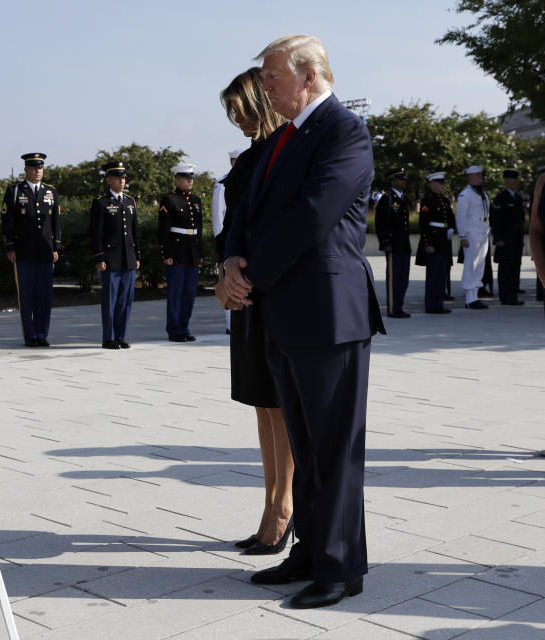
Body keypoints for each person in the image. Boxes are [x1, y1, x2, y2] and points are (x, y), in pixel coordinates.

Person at [220, 34, 385, 608]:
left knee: (334, 447)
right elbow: (247, 211)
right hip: (284, 313)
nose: (265, 86)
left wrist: (249, 275)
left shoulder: (345, 131)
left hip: (327, 313)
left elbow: (313, 216)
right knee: (308, 446)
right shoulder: (282, 139)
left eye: (271, 76)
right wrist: (231, 261)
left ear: (309, 75)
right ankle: (311, 552)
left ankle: (341, 567)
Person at [213, 66, 293, 556]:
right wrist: (225, 270)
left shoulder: (282, 150)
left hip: (269, 292)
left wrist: (241, 273)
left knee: (280, 405)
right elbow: (233, 228)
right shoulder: (253, 155)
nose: (235, 118)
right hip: (245, 293)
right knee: (263, 404)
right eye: (230, 112)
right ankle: (271, 502)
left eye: (240, 108)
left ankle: (283, 507)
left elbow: (279, 226)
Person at [1, 153, 62, 346]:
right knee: (26, 296)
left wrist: (56, 247)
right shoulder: (15, 191)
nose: (38, 171)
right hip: (23, 252)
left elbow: (56, 223)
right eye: (34, 168)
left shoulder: (51, 192)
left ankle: (42, 334)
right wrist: (10, 247)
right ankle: (30, 335)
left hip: (45, 252)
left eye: (40, 168)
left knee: (44, 295)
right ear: (26, 169)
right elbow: (7, 222)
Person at [90, 162, 140, 349]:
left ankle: (120, 336)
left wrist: (137, 256)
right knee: (110, 301)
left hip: (128, 258)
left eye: (124, 178)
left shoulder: (129, 202)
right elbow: (96, 233)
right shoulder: (101, 202)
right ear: (108, 180)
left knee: (125, 300)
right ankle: (109, 338)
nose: (122, 181)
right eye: (118, 178)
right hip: (110, 259)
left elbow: (135, 231)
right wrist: (100, 257)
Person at [159, 163, 202, 342]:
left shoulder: (196, 200)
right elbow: (163, 229)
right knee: (176, 292)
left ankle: (184, 327)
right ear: (177, 179)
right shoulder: (169, 200)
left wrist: (200, 254)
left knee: (189, 293)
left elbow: (199, 228)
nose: (189, 181)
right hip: (176, 253)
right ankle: (174, 330)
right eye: (185, 178)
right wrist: (166, 253)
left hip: (192, 253)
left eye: (191, 178)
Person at [212, 150, 242, 335]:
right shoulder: (223, 183)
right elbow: (218, 216)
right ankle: (230, 324)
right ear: (232, 161)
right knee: (227, 281)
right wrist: (220, 246)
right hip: (227, 238)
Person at [375, 168, 412, 318]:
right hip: (393, 245)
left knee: (403, 278)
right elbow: (381, 223)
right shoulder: (387, 198)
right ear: (393, 180)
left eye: (404, 178)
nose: (404, 180)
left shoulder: (404, 198)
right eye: (401, 178)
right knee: (394, 278)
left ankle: (399, 306)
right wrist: (385, 242)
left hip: (404, 244)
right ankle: (393, 309)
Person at [416, 172, 453, 314]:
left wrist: (451, 228)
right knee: (433, 275)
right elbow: (423, 223)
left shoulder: (444, 200)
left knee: (442, 274)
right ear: (431, 184)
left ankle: (439, 303)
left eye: (442, 183)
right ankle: (431, 305)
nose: (441, 186)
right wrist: (427, 243)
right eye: (438, 183)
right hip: (434, 240)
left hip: (444, 241)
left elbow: (449, 217)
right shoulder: (427, 200)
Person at [490, 169, 526, 305]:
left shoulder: (517, 197)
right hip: (505, 241)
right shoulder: (501, 198)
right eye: (513, 181)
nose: (515, 183)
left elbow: (520, 220)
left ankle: (513, 295)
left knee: (515, 268)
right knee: (505, 269)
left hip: (516, 240)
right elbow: (496, 220)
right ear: (508, 182)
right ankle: (505, 296)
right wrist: (498, 239)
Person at [458, 165, 491, 309]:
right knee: (470, 265)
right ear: (471, 176)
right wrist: (462, 236)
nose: (480, 177)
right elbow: (460, 217)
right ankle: (469, 298)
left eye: (481, 175)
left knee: (480, 266)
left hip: (483, 232)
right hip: (471, 233)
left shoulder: (482, 193)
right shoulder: (466, 194)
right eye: (478, 175)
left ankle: (475, 295)